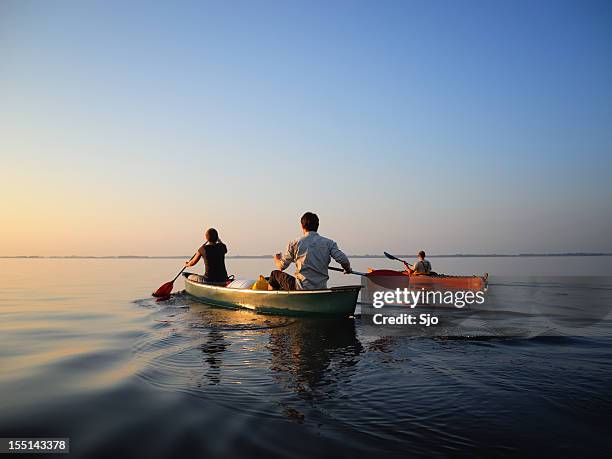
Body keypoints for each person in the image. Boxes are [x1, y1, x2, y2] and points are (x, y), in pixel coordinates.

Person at [269, 212, 352, 290]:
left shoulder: (294, 243)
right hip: (321, 288)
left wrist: (277, 259)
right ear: (317, 226)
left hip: (300, 288)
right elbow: (344, 260)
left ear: (302, 226)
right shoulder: (329, 243)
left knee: (274, 274)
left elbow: (281, 267)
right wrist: (347, 269)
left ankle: (272, 301)